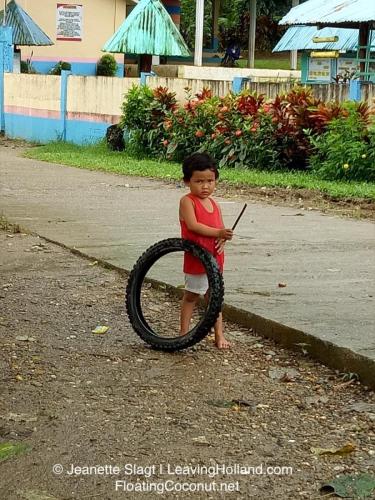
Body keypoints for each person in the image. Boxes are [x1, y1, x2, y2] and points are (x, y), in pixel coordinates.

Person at [179, 153, 233, 349]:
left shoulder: (215, 204)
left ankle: (219, 335)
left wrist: (223, 238)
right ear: (187, 181)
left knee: (214, 297)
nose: (205, 186)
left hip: (215, 257)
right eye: (199, 181)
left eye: (210, 181)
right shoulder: (187, 201)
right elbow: (193, 226)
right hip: (196, 257)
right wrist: (218, 232)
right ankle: (183, 334)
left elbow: (219, 229)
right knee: (192, 295)